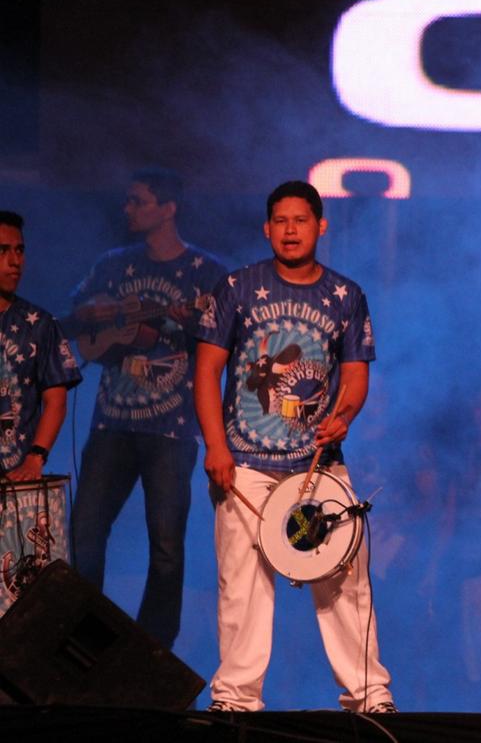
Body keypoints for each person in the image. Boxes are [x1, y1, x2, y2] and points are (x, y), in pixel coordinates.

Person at [195, 180, 393, 712]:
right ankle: (236, 698)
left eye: (301, 220)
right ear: (267, 228)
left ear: (320, 226)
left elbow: (354, 376)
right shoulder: (236, 287)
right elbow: (207, 369)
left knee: (344, 578)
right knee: (242, 584)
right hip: (245, 465)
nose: (290, 230)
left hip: (319, 467)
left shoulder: (345, 295)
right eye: (280, 221)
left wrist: (344, 416)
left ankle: (369, 695)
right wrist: (216, 447)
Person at [69, 168, 225, 649]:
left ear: (168, 208)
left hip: (171, 430)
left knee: (166, 549)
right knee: (85, 533)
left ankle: (150, 650)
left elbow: (224, 340)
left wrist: (192, 321)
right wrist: (97, 313)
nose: (128, 209)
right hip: (112, 421)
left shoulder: (206, 273)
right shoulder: (113, 265)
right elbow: (75, 316)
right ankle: (84, 641)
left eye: (138, 202)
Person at [0, 211, 81, 481]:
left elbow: (56, 400)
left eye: (20, 251)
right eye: (3, 251)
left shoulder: (40, 324)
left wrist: (36, 457)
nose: (15, 262)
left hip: (17, 480)